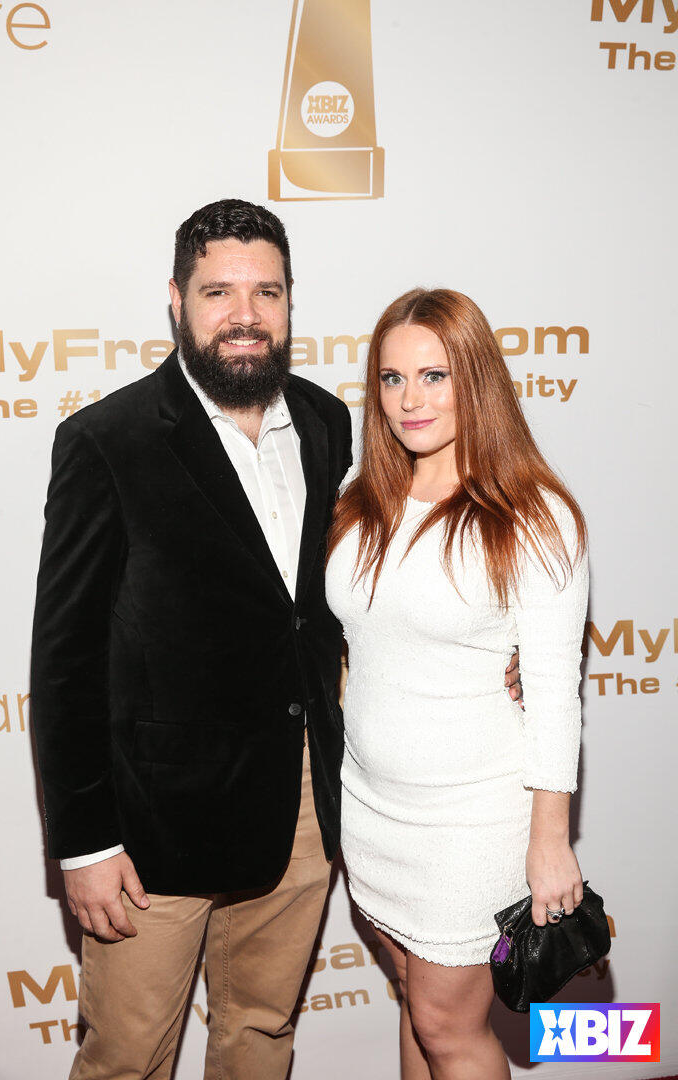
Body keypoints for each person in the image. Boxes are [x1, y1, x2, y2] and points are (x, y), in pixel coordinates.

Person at [31, 201, 522, 1080]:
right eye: (218, 291)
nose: (245, 314)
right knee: (128, 1057)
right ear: (176, 300)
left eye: (267, 291)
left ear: (291, 302)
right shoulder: (107, 442)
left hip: (301, 806)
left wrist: (508, 649)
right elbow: (64, 663)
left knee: (261, 1034)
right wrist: (85, 844)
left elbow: (384, 580)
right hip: (156, 829)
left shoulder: (329, 423)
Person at [324, 288, 588, 1080]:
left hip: (472, 822)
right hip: (371, 807)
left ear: (476, 380)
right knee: (417, 1000)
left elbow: (553, 691)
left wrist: (550, 842)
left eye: (434, 376)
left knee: (450, 1025)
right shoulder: (360, 497)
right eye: (393, 378)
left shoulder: (532, 515)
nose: (411, 399)